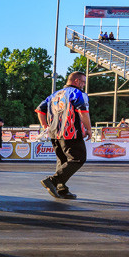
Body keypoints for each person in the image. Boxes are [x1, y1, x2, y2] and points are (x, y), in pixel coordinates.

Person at [35, 71, 91, 199]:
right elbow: (83, 112)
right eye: (83, 82)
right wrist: (88, 129)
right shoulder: (78, 93)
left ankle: (61, 189)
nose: (84, 85)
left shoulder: (54, 95)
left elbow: (40, 110)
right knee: (78, 158)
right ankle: (53, 181)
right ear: (76, 81)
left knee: (63, 161)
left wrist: (45, 126)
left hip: (54, 133)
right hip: (70, 132)